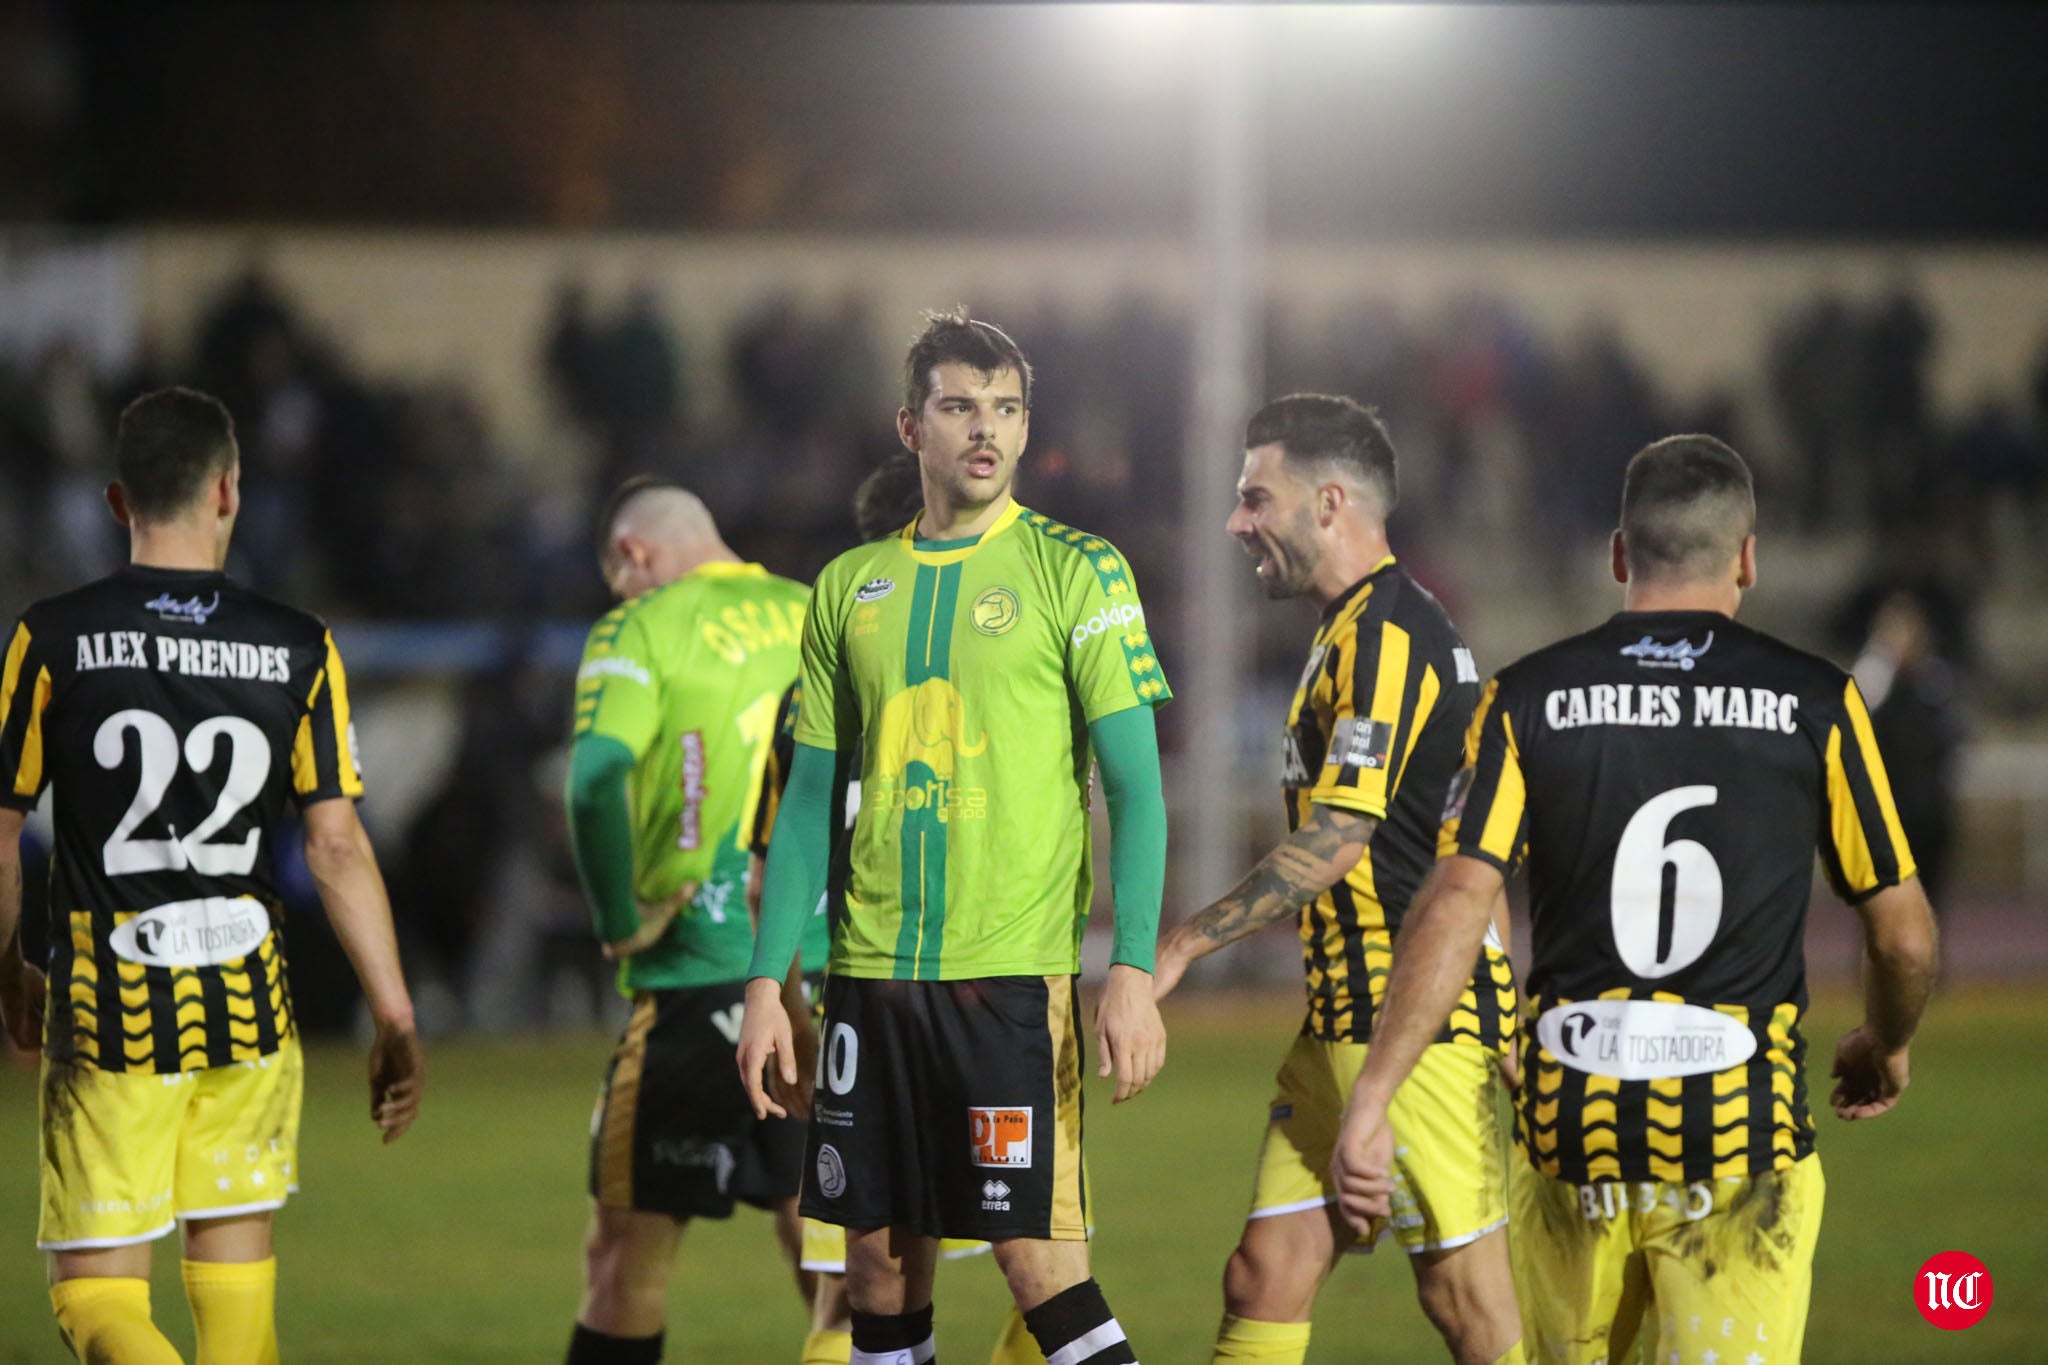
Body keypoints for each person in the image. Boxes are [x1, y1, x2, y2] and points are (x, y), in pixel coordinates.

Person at [1332, 434, 1940, 1365]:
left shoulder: (1522, 698)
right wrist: (1886, 1042)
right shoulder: (1818, 701)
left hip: (1576, 1128)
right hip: (1740, 1137)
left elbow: (1455, 900)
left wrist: (1374, 1094)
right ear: (1746, 556)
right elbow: (1899, 937)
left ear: (1620, 553)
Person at [737, 308, 1169, 1365]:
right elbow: (805, 806)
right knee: (875, 1268)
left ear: (1026, 431)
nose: (986, 428)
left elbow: (1137, 792)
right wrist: (763, 982)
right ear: (910, 426)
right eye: (959, 406)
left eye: (1006, 409)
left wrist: (1133, 967)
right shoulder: (849, 589)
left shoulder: (1080, 572)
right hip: (869, 981)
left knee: (1037, 1265)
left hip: (1007, 981)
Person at [0, 386, 423, 1365]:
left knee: (97, 1303)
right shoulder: (298, 645)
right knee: (236, 1311)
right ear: (229, 491)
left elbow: (2, 832)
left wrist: (9, 968)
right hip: (247, 1008)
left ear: (118, 501)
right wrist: (394, 1011)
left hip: (112, 1009)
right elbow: (337, 847)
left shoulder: (51, 638)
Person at [1151, 395, 1524, 1365]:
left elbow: (1341, 838)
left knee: (1469, 1304)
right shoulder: (1353, 630)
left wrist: (1184, 941)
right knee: (1265, 1274)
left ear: (1325, 503)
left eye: (1252, 498)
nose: (1236, 523)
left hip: (1406, 1023)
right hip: (1339, 1019)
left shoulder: (1386, 637)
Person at [747, 450, 1045, 1365]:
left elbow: (776, 862)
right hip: (993, 985)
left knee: (866, 1275)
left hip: (866, 991)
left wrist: (784, 995)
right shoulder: (992, 673)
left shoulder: (812, 689)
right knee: (1034, 1252)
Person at [562, 477, 820, 1364]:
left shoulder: (642, 625)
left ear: (634, 556)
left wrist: (615, 914)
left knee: (624, 1259)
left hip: (695, 976)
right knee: (828, 1259)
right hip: (815, 976)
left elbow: (595, 779)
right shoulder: (818, 610)